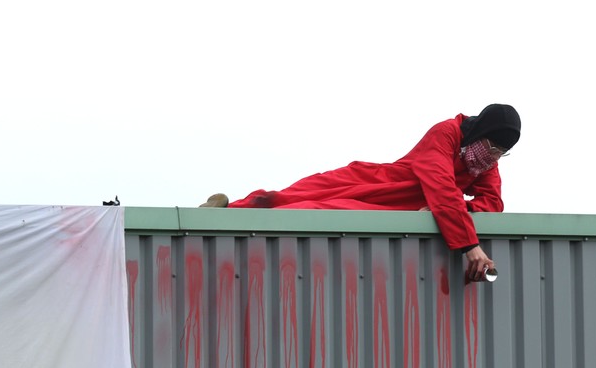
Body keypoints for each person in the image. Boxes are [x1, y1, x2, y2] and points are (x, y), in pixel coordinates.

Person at [201, 104, 521, 283]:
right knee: (299, 196)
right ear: (481, 134)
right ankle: (232, 209)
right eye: (493, 147)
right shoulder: (447, 133)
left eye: (501, 153)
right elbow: (440, 185)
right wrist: (469, 244)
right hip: (377, 184)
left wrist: (458, 214)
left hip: (399, 210)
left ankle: (235, 210)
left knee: (319, 210)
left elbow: (491, 203)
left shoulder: (482, 160)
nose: (493, 158)